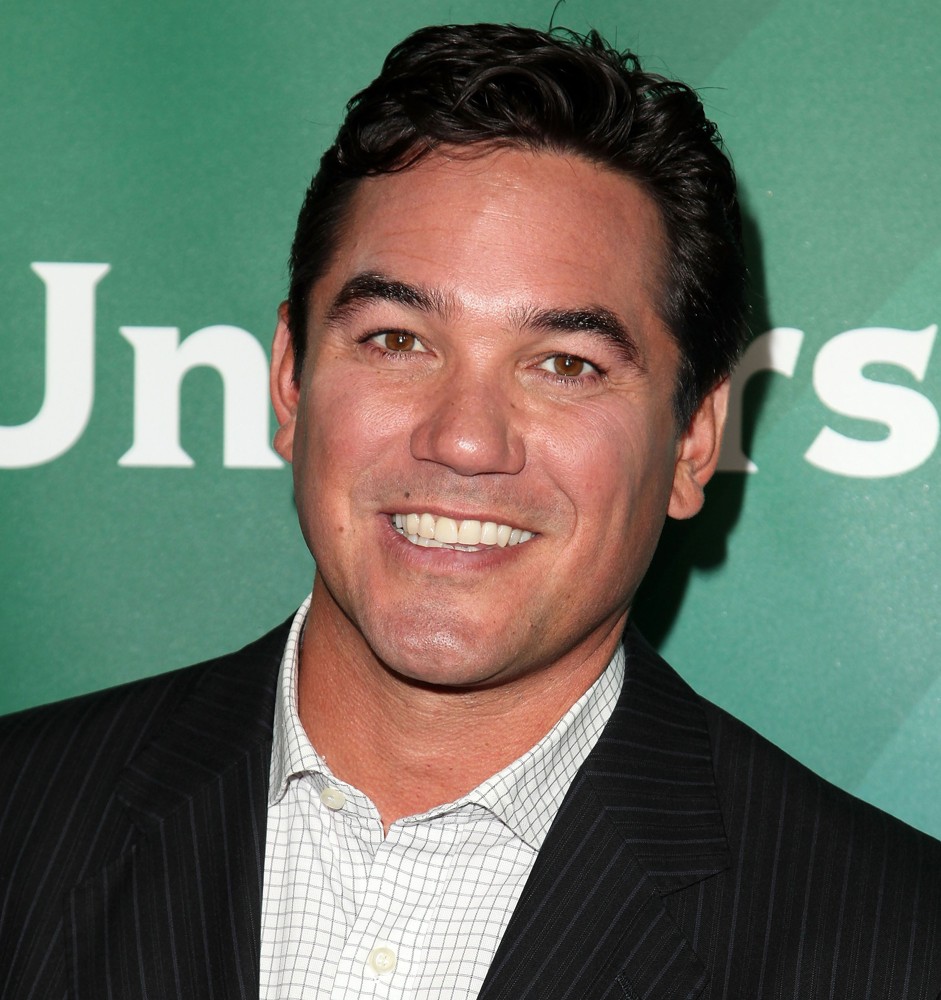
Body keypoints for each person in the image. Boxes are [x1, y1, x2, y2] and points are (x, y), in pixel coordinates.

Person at [1, 22, 939, 1000]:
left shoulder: (893, 947)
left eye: (565, 364)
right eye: (397, 340)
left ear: (693, 439)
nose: (462, 439)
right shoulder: (23, 825)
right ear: (289, 379)